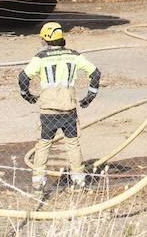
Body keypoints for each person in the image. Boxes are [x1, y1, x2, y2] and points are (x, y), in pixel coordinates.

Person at [19, 21, 101, 191]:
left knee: (43, 144)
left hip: (48, 110)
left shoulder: (40, 58)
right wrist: (90, 96)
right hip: (68, 109)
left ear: (45, 40)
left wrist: (27, 96)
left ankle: (38, 181)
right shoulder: (74, 55)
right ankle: (79, 179)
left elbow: (23, 78)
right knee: (73, 144)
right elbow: (95, 73)